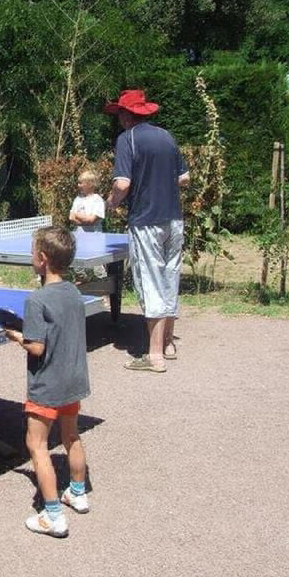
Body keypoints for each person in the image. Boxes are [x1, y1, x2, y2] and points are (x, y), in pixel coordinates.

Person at [2, 226, 91, 538]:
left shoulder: (37, 300)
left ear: (42, 258)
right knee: (71, 436)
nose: (31, 257)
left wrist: (16, 335)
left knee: (37, 444)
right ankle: (77, 493)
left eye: (31, 253)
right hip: (73, 378)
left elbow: (37, 347)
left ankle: (52, 515)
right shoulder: (74, 293)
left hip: (47, 384)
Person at [104, 90, 189, 373]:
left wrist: (111, 202)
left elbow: (123, 184)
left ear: (127, 115)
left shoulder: (126, 139)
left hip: (146, 221)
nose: (119, 119)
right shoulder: (167, 137)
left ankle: (154, 357)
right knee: (169, 278)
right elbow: (184, 178)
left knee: (151, 282)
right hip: (174, 220)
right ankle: (168, 344)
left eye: (119, 114)